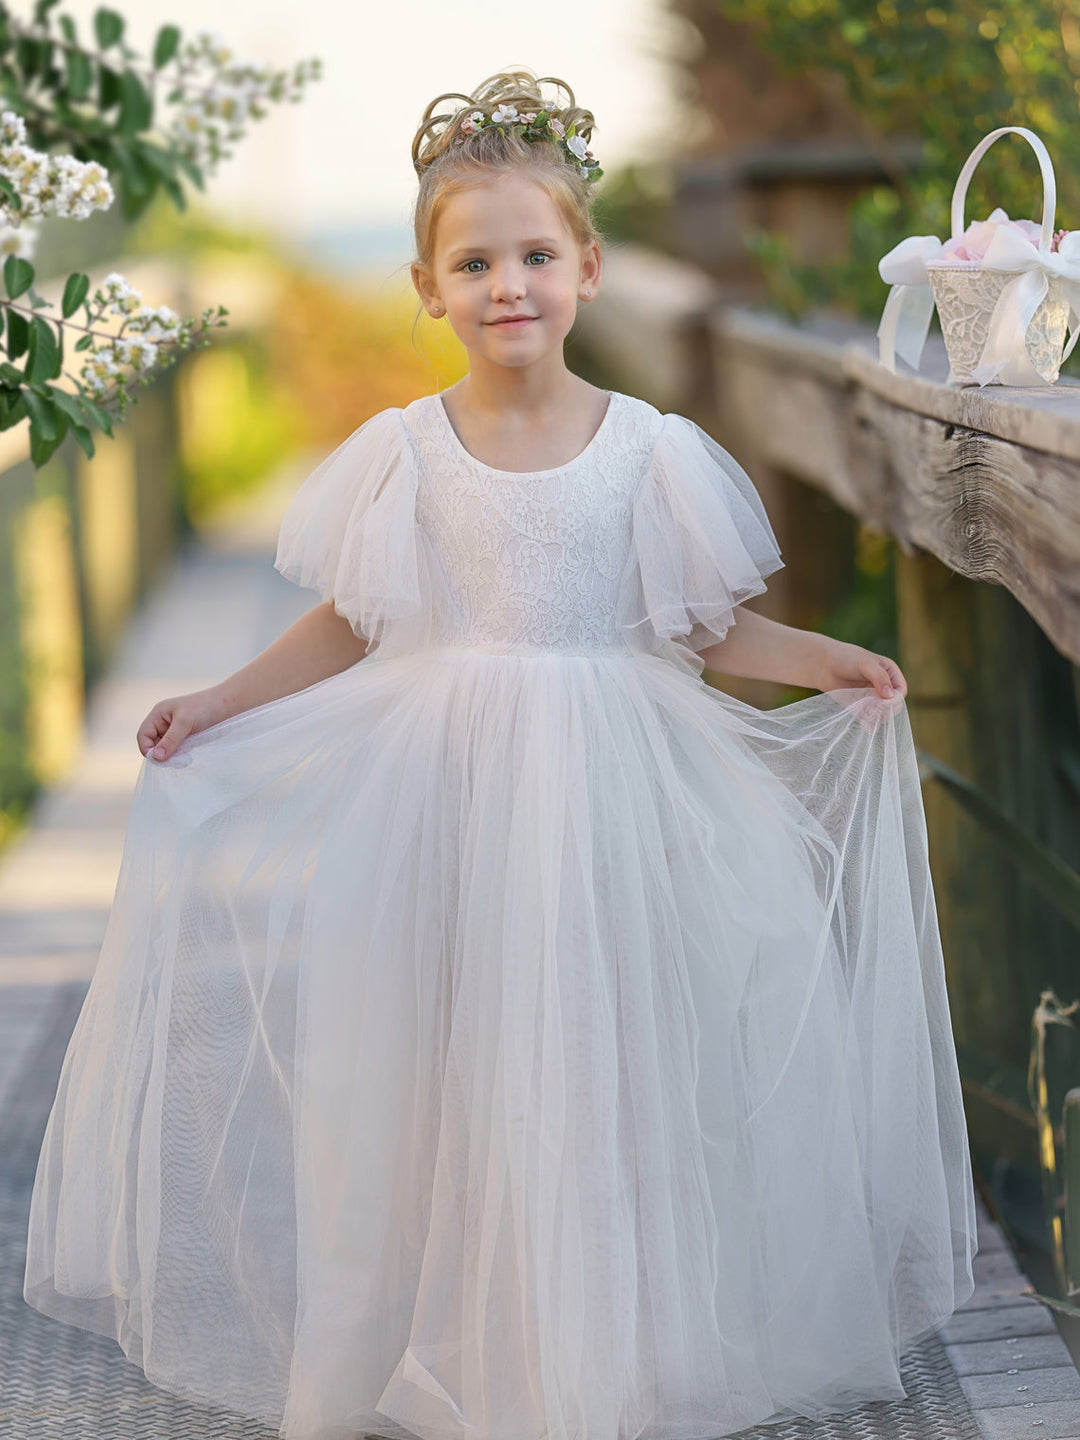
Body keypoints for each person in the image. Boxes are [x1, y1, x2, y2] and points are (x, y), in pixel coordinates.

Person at [23, 67, 977, 1440]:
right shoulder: (406, 453)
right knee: (442, 1070)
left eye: (536, 254)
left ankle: (594, 1350)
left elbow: (706, 629)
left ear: (588, 267)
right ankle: (442, 1334)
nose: (507, 284)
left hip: (604, 793)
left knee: (595, 1061)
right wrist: (218, 702)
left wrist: (822, 660)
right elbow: (353, 621)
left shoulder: (646, 450)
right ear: (427, 287)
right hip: (443, 801)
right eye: (473, 262)